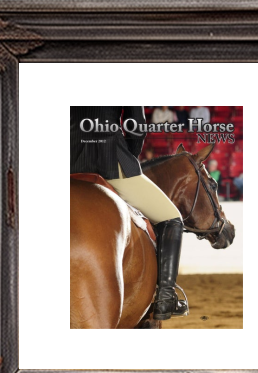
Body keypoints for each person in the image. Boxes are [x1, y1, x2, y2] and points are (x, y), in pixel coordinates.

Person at [70, 106, 188, 321]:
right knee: (172, 218)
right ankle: (165, 297)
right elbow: (135, 127)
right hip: (111, 162)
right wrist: (127, 158)